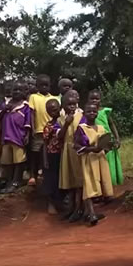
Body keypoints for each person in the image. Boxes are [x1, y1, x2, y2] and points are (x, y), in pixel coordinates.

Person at [73, 103, 110, 226]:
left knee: (98, 183)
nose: (92, 114)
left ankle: (91, 212)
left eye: (94, 111)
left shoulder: (100, 128)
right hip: (88, 160)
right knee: (89, 185)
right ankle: (92, 213)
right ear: (84, 114)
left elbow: (105, 144)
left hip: (100, 159)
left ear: (97, 113)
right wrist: (90, 149)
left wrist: (108, 147)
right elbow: (76, 146)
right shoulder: (81, 128)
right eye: (89, 111)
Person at [0, 81, 32, 194]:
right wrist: (4, 110)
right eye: (15, 90)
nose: (17, 92)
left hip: (19, 137)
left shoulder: (26, 106)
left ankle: (16, 181)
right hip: (6, 137)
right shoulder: (4, 104)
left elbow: (28, 122)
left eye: (20, 90)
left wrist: (27, 135)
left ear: (24, 92)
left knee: (19, 161)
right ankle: (9, 181)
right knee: (7, 161)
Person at [26, 74, 58, 186]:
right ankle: (32, 175)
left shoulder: (54, 98)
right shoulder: (33, 97)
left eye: (46, 85)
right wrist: (32, 128)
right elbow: (32, 113)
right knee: (35, 153)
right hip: (38, 131)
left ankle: (44, 173)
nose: (44, 87)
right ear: (37, 86)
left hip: (51, 131)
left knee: (48, 154)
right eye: (41, 85)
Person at [86, 89, 123, 187]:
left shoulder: (104, 112)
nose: (94, 101)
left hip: (108, 141)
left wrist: (117, 138)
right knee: (99, 165)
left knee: (109, 163)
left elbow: (112, 124)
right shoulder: (87, 113)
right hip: (96, 142)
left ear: (100, 100)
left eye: (96, 98)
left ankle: (110, 185)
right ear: (88, 99)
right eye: (92, 98)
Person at [58, 90, 84, 220]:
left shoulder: (81, 115)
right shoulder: (61, 117)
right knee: (70, 180)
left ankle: (79, 209)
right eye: (69, 104)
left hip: (77, 150)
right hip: (66, 151)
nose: (72, 107)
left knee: (79, 180)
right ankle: (72, 208)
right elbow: (60, 136)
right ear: (63, 105)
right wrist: (66, 123)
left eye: (74, 104)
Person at [41, 99, 63, 215]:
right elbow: (45, 143)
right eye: (50, 111)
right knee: (51, 180)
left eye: (55, 109)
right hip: (52, 155)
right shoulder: (49, 126)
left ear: (60, 108)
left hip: (64, 155)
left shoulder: (63, 122)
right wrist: (45, 160)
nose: (53, 112)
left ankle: (62, 203)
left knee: (61, 179)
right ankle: (51, 204)